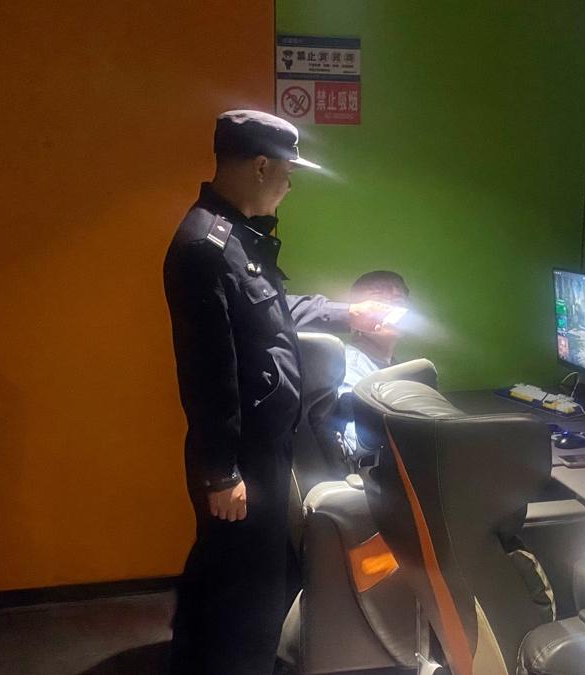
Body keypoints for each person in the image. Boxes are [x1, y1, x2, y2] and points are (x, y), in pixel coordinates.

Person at [163, 110, 390, 675]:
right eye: (288, 172)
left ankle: (195, 660)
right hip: (242, 458)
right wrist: (221, 473)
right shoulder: (205, 247)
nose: (290, 185)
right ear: (261, 166)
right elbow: (206, 372)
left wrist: (347, 312)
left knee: (227, 575)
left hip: (263, 449)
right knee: (248, 598)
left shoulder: (239, 236)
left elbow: (276, 310)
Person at [336, 271, 410, 460]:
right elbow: (358, 445)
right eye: (380, 301)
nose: (393, 309)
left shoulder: (398, 368)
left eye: (399, 300)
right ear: (356, 316)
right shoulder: (347, 364)